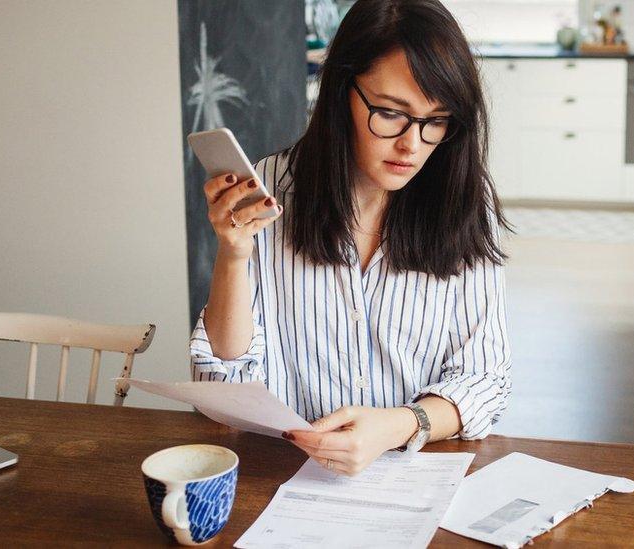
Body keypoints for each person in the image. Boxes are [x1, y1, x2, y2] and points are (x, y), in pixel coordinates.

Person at [189, 0, 512, 476]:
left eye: (436, 120)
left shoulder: (462, 200)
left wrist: (401, 424)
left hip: (418, 473)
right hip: (288, 475)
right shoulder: (270, 192)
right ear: (342, 91)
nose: (412, 144)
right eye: (390, 113)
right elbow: (222, 383)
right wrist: (233, 255)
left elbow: (487, 378)